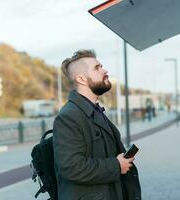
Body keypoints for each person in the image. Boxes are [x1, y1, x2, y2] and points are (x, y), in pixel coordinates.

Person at [53, 50, 141, 200]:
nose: (104, 70)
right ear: (81, 78)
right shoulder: (68, 117)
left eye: (101, 66)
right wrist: (116, 165)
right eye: (97, 68)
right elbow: (71, 167)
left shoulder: (94, 110)